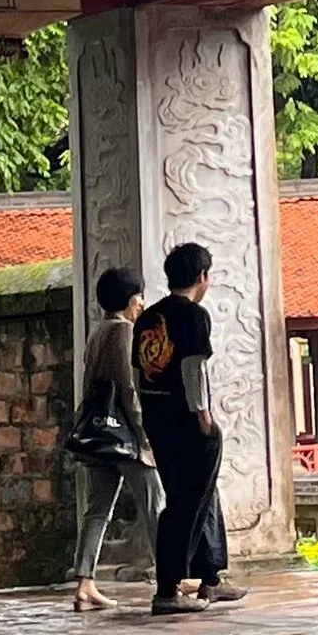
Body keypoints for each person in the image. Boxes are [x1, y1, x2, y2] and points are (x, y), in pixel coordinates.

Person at [133, 240, 248, 615]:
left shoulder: (148, 318)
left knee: (203, 494)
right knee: (185, 503)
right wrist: (203, 415)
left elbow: (139, 373)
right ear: (202, 276)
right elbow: (193, 368)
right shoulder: (193, 316)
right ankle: (167, 588)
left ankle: (210, 577)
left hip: (158, 418)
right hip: (188, 422)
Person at [70, 266, 158, 611]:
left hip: (98, 434)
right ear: (132, 298)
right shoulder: (124, 332)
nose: (142, 303)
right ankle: (174, 575)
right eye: (140, 296)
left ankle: (85, 581)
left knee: (97, 511)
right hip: (123, 436)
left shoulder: (97, 332)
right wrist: (144, 439)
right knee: (156, 503)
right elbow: (127, 389)